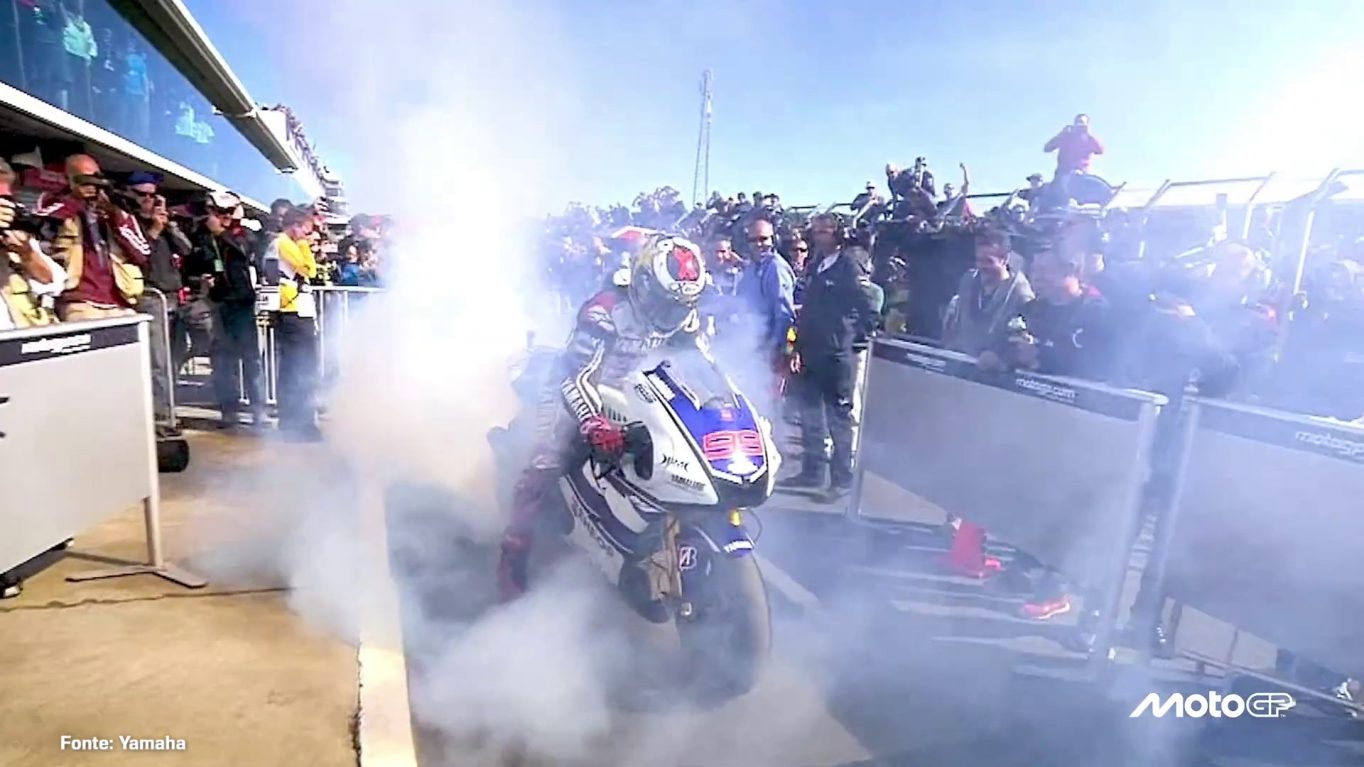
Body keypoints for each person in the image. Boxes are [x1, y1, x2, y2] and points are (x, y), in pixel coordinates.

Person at [497, 234, 710, 600]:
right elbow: (574, 377)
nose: (670, 315)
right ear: (644, 283)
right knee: (546, 462)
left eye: (679, 307)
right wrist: (593, 422)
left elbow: (701, 366)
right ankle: (512, 556)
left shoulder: (684, 315)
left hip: (634, 391)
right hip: (575, 387)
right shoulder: (605, 311)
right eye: (664, 303)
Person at [781, 213, 876, 496]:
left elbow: (869, 306)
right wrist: (797, 348)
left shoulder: (850, 264)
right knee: (810, 415)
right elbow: (807, 312)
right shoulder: (816, 265)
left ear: (838, 234)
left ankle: (841, 480)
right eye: (816, 231)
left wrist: (852, 339)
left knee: (838, 420)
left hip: (836, 355)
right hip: (811, 352)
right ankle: (812, 473)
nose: (818, 236)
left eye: (825, 231)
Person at [185, 190, 266, 430]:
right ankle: (228, 410)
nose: (226, 217)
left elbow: (245, 251)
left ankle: (259, 409)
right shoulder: (201, 236)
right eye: (221, 212)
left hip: (241, 305)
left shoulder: (243, 234)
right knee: (222, 361)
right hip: (218, 304)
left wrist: (221, 233)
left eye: (229, 212)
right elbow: (189, 266)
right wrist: (199, 280)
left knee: (251, 360)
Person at [37, 154, 150, 322]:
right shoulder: (57, 204)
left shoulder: (117, 213)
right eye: (84, 180)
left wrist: (114, 215)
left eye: (96, 179)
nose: (92, 186)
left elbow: (142, 254)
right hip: (79, 301)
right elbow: (41, 226)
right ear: (69, 180)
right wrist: (75, 199)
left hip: (119, 302)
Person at [126, 171, 192, 434]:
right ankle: (161, 417)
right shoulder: (129, 223)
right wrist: (153, 231)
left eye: (152, 196)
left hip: (174, 298)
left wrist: (168, 224)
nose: (148, 200)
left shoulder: (163, 223)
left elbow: (186, 249)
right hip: (151, 297)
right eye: (141, 195)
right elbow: (139, 257)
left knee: (174, 356)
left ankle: (167, 407)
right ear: (130, 193)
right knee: (158, 361)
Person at [268, 206, 322, 441]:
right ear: (295, 226)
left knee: (295, 368)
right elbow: (309, 269)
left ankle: (294, 422)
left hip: (295, 311)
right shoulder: (284, 243)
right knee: (300, 368)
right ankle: (300, 423)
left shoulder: (281, 243)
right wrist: (303, 244)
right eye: (306, 231)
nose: (308, 236)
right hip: (292, 312)